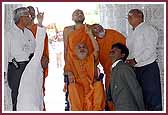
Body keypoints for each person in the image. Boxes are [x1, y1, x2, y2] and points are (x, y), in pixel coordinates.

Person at [126, 9, 162, 111]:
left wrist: (136, 60)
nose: (128, 19)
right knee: (141, 99)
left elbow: (150, 49)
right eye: (128, 17)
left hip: (148, 68)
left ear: (140, 17)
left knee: (152, 99)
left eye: (131, 16)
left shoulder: (148, 29)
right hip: (136, 69)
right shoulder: (132, 33)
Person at [64, 24, 105, 110]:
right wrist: (69, 73)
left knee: (98, 85)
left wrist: (90, 34)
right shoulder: (71, 60)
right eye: (79, 47)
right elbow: (66, 71)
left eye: (84, 47)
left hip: (92, 90)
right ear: (75, 51)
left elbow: (96, 49)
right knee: (72, 87)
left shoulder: (91, 58)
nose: (82, 48)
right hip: (79, 91)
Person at [5, 7, 36, 111]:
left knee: (28, 95)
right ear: (21, 18)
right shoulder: (9, 33)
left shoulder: (29, 33)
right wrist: (4, 72)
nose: (30, 18)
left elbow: (33, 50)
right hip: (16, 69)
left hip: (29, 68)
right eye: (28, 16)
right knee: (17, 96)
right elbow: (5, 54)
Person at [90, 24, 126, 110]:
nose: (97, 28)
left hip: (121, 71)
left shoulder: (114, 34)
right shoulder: (96, 44)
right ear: (93, 34)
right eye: (94, 28)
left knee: (124, 95)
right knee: (110, 96)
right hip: (109, 74)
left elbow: (126, 50)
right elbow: (94, 60)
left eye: (98, 26)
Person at [108, 43, 145, 111]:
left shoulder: (124, 68)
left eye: (116, 49)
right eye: (112, 49)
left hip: (128, 108)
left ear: (122, 55)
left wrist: (142, 109)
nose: (112, 50)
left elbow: (135, 88)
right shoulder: (115, 69)